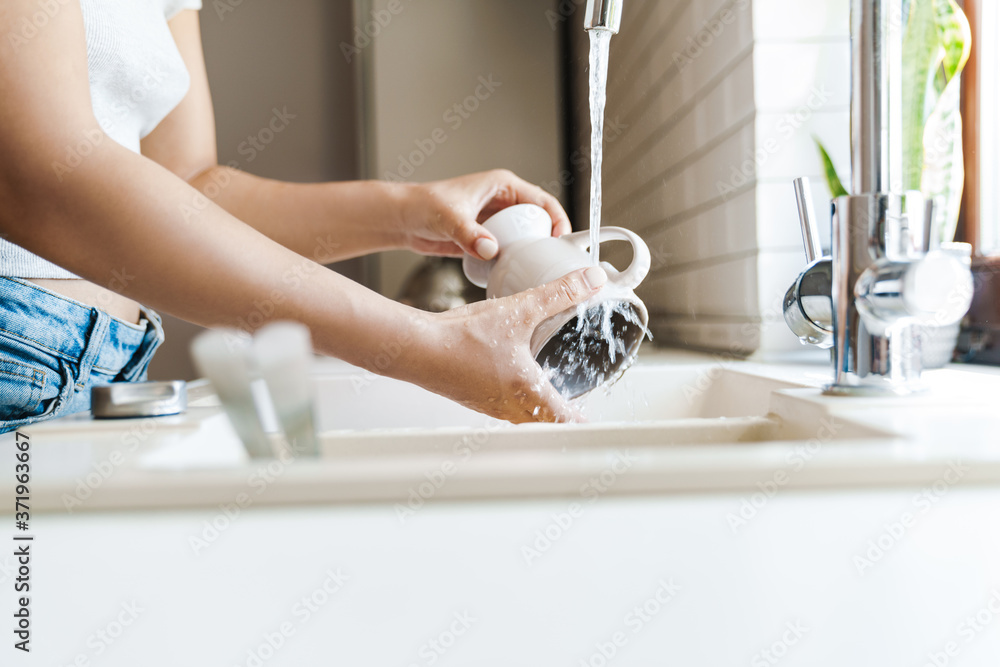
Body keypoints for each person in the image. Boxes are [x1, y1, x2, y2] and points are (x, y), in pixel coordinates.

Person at [0, 0, 607, 433]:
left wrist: (409, 212)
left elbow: (185, 191)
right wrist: (424, 344)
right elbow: (41, 181)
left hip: (113, 364)